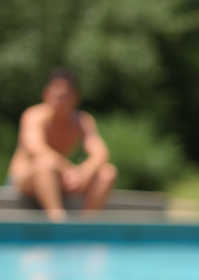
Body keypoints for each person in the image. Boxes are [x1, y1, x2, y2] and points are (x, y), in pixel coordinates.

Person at [7, 68, 118, 221]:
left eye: (65, 96)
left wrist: (83, 172)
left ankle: (87, 224)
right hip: (26, 179)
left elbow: (100, 153)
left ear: (76, 97)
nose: (59, 101)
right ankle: (58, 220)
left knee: (107, 173)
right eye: (56, 95)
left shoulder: (82, 121)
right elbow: (37, 149)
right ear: (46, 94)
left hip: (61, 179)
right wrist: (69, 169)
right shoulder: (34, 116)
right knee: (44, 163)